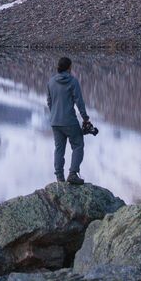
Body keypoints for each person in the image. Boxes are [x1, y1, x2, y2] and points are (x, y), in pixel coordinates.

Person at [46, 55, 92, 184]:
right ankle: (73, 173)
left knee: (59, 149)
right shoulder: (73, 81)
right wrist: (85, 118)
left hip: (55, 122)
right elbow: (79, 101)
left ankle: (59, 177)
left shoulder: (51, 82)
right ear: (69, 67)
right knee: (78, 145)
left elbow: (49, 102)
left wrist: (55, 114)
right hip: (69, 121)